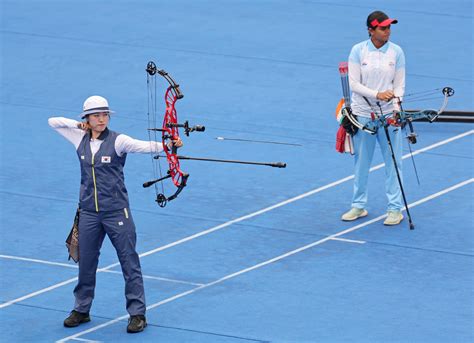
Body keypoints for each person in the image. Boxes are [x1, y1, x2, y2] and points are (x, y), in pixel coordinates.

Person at [48, 95, 183, 333]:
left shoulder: (119, 140)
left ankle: (137, 313)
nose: (102, 119)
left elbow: (143, 146)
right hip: (89, 212)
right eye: (96, 115)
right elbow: (53, 121)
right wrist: (77, 125)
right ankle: (81, 309)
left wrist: (168, 145)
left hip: (116, 212)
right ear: (87, 118)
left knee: (129, 261)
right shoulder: (79, 137)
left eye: (104, 115)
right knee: (86, 262)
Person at [341, 10, 406, 226]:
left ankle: (395, 209)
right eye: (383, 27)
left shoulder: (396, 52)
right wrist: (377, 94)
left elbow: (399, 85)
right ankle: (358, 206)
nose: (388, 31)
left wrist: (396, 109)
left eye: (389, 27)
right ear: (371, 30)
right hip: (362, 115)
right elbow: (354, 84)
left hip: (388, 115)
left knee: (394, 163)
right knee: (361, 163)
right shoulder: (358, 51)